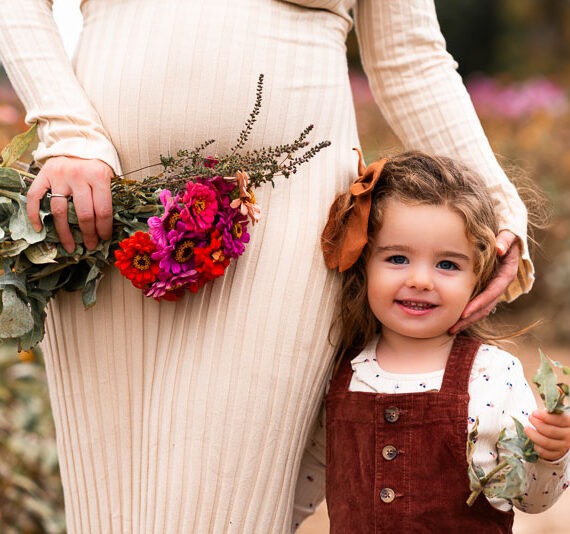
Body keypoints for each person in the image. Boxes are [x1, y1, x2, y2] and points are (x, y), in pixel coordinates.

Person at [0, 1, 534, 532]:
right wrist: (67, 132)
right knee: (107, 519)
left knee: (216, 516)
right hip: (99, 209)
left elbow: (408, 58)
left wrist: (497, 206)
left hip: (283, 230)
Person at [294, 151, 569, 532]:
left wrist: (550, 458)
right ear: (364, 263)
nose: (421, 280)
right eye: (397, 258)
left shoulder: (492, 373)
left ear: (481, 276)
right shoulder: (344, 373)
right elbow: (302, 487)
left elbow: (532, 499)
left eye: (447, 265)